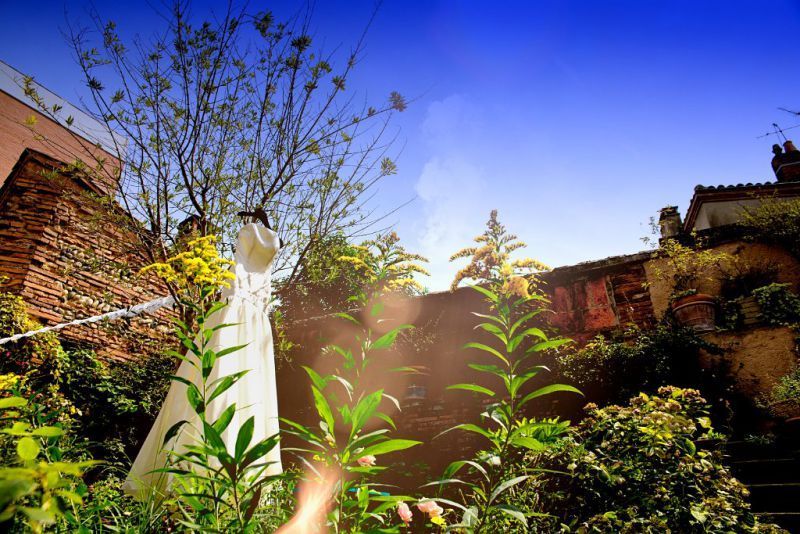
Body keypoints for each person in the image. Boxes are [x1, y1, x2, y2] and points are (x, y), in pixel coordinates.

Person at [124, 221, 283, 499]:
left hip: (245, 327)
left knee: (230, 394)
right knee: (217, 390)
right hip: (237, 325)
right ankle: (200, 480)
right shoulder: (254, 234)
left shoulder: (249, 233)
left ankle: (210, 480)